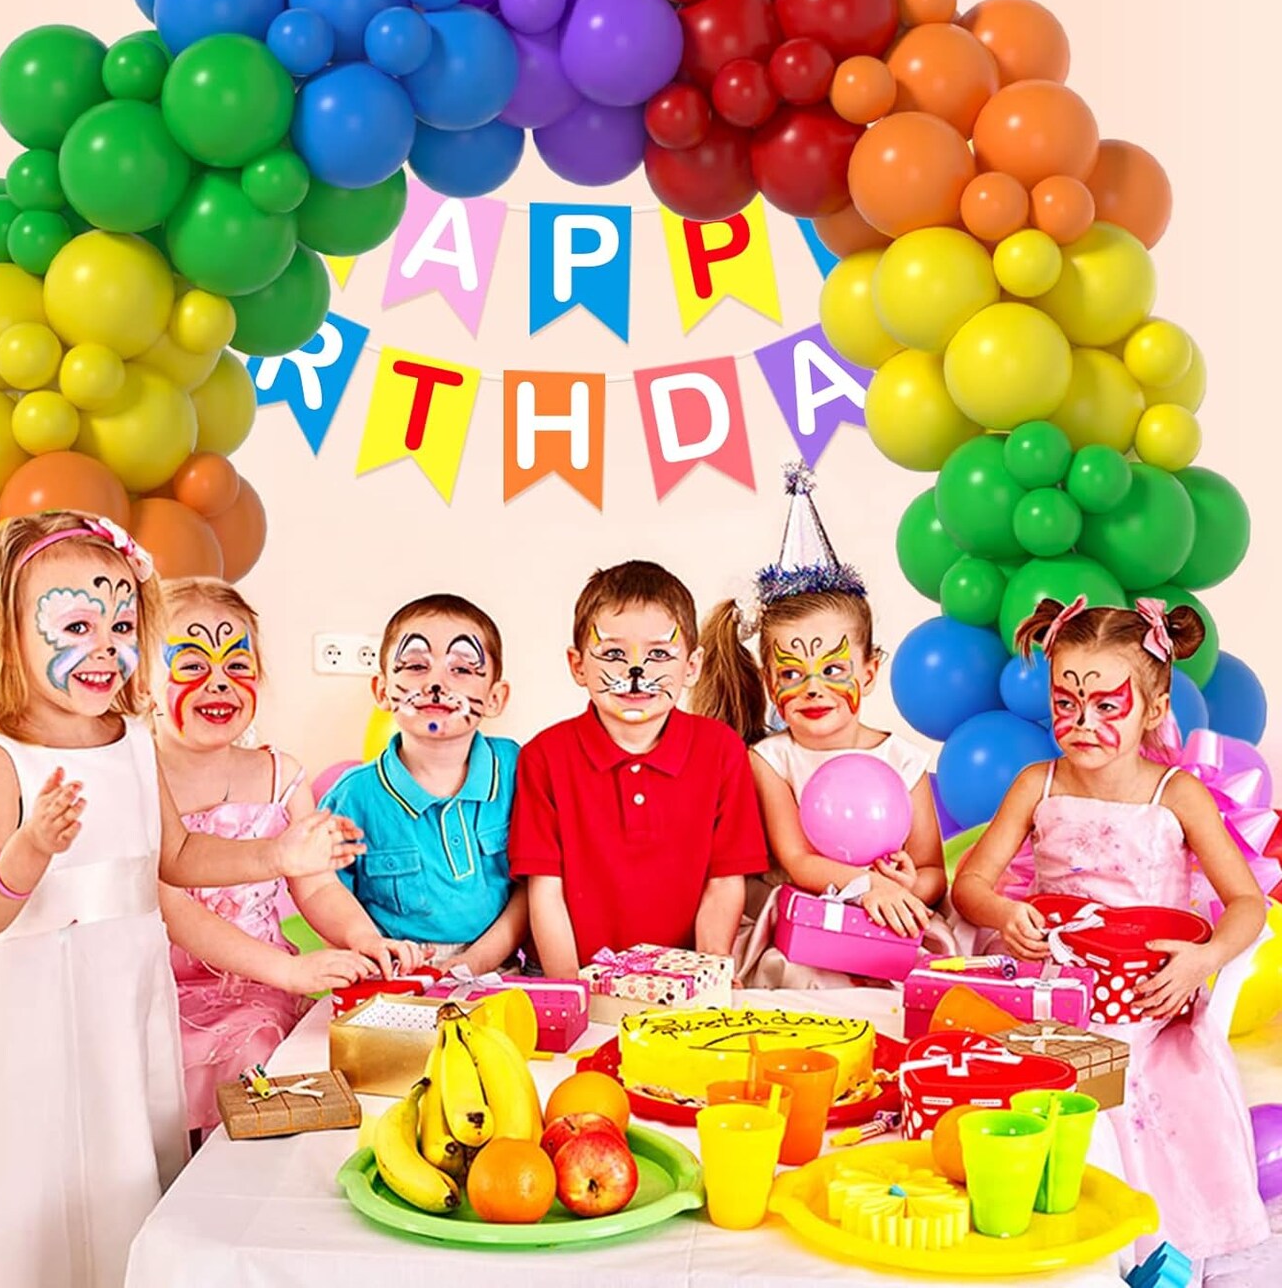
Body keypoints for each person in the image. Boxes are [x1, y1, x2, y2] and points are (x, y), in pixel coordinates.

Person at [0, 513, 358, 1288]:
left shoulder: (134, 739)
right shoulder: (1, 757)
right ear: (12, 634)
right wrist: (32, 848)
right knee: (37, 1164)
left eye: (123, 625)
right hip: (33, 1003)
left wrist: (279, 854)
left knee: (117, 1153)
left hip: (124, 989)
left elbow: (179, 856)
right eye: (76, 625)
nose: (105, 647)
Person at [953, 595, 1270, 1263]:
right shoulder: (1037, 784)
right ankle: (1068, 1237)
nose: (1084, 723)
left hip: (1147, 1001)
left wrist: (1203, 958)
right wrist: (1006, 914)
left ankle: (1159, 1245)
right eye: (1066, 704)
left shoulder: (1175, 794)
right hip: (1056, 995)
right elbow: (970, 884)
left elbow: (1248, 902)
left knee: (1142, 1087)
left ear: (1154, 710)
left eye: (1107, 705)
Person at [154, 577, 424, 1134]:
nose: (218, 681)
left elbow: (318, 885)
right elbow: (176, 914)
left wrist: (363, 938)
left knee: (267, 1050)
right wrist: (293, 970)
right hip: (158, 992)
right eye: (191, 664)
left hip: (257, 991)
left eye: (237, 664)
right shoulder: (139, 779)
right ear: (142, 685)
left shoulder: (280, 776)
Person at [692, 464, 946, 986]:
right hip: (804, 925)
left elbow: (933, 871)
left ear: (869, 671)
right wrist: (866, 885)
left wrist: (904, 886)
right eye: (791, 673)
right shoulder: (771, 759)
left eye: (833, 670)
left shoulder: (902, 760)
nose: (812, 688)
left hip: (887, 921)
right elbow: (798, 860)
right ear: (768, 680)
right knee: (810, 984)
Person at [509, 561, 768, 978]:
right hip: (569, 975)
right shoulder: (544, 757)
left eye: (659, 655)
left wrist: (709, 973)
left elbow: (724, 882)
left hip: (681, 983)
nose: (636, 672)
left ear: (692, 666)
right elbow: (545, 891)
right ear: (578, 665)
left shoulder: (721, 751)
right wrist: (570, 989)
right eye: (613, 654)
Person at [325, 594, 527, 975]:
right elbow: (324, 893)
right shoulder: (353, 796)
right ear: (382, 691)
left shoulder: (516, 770)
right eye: (417, 665)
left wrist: (475, 963)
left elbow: (534, 885)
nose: (436, 683)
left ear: (495, 698)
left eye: (462, 669)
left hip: (495, 970)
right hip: (393, 976)